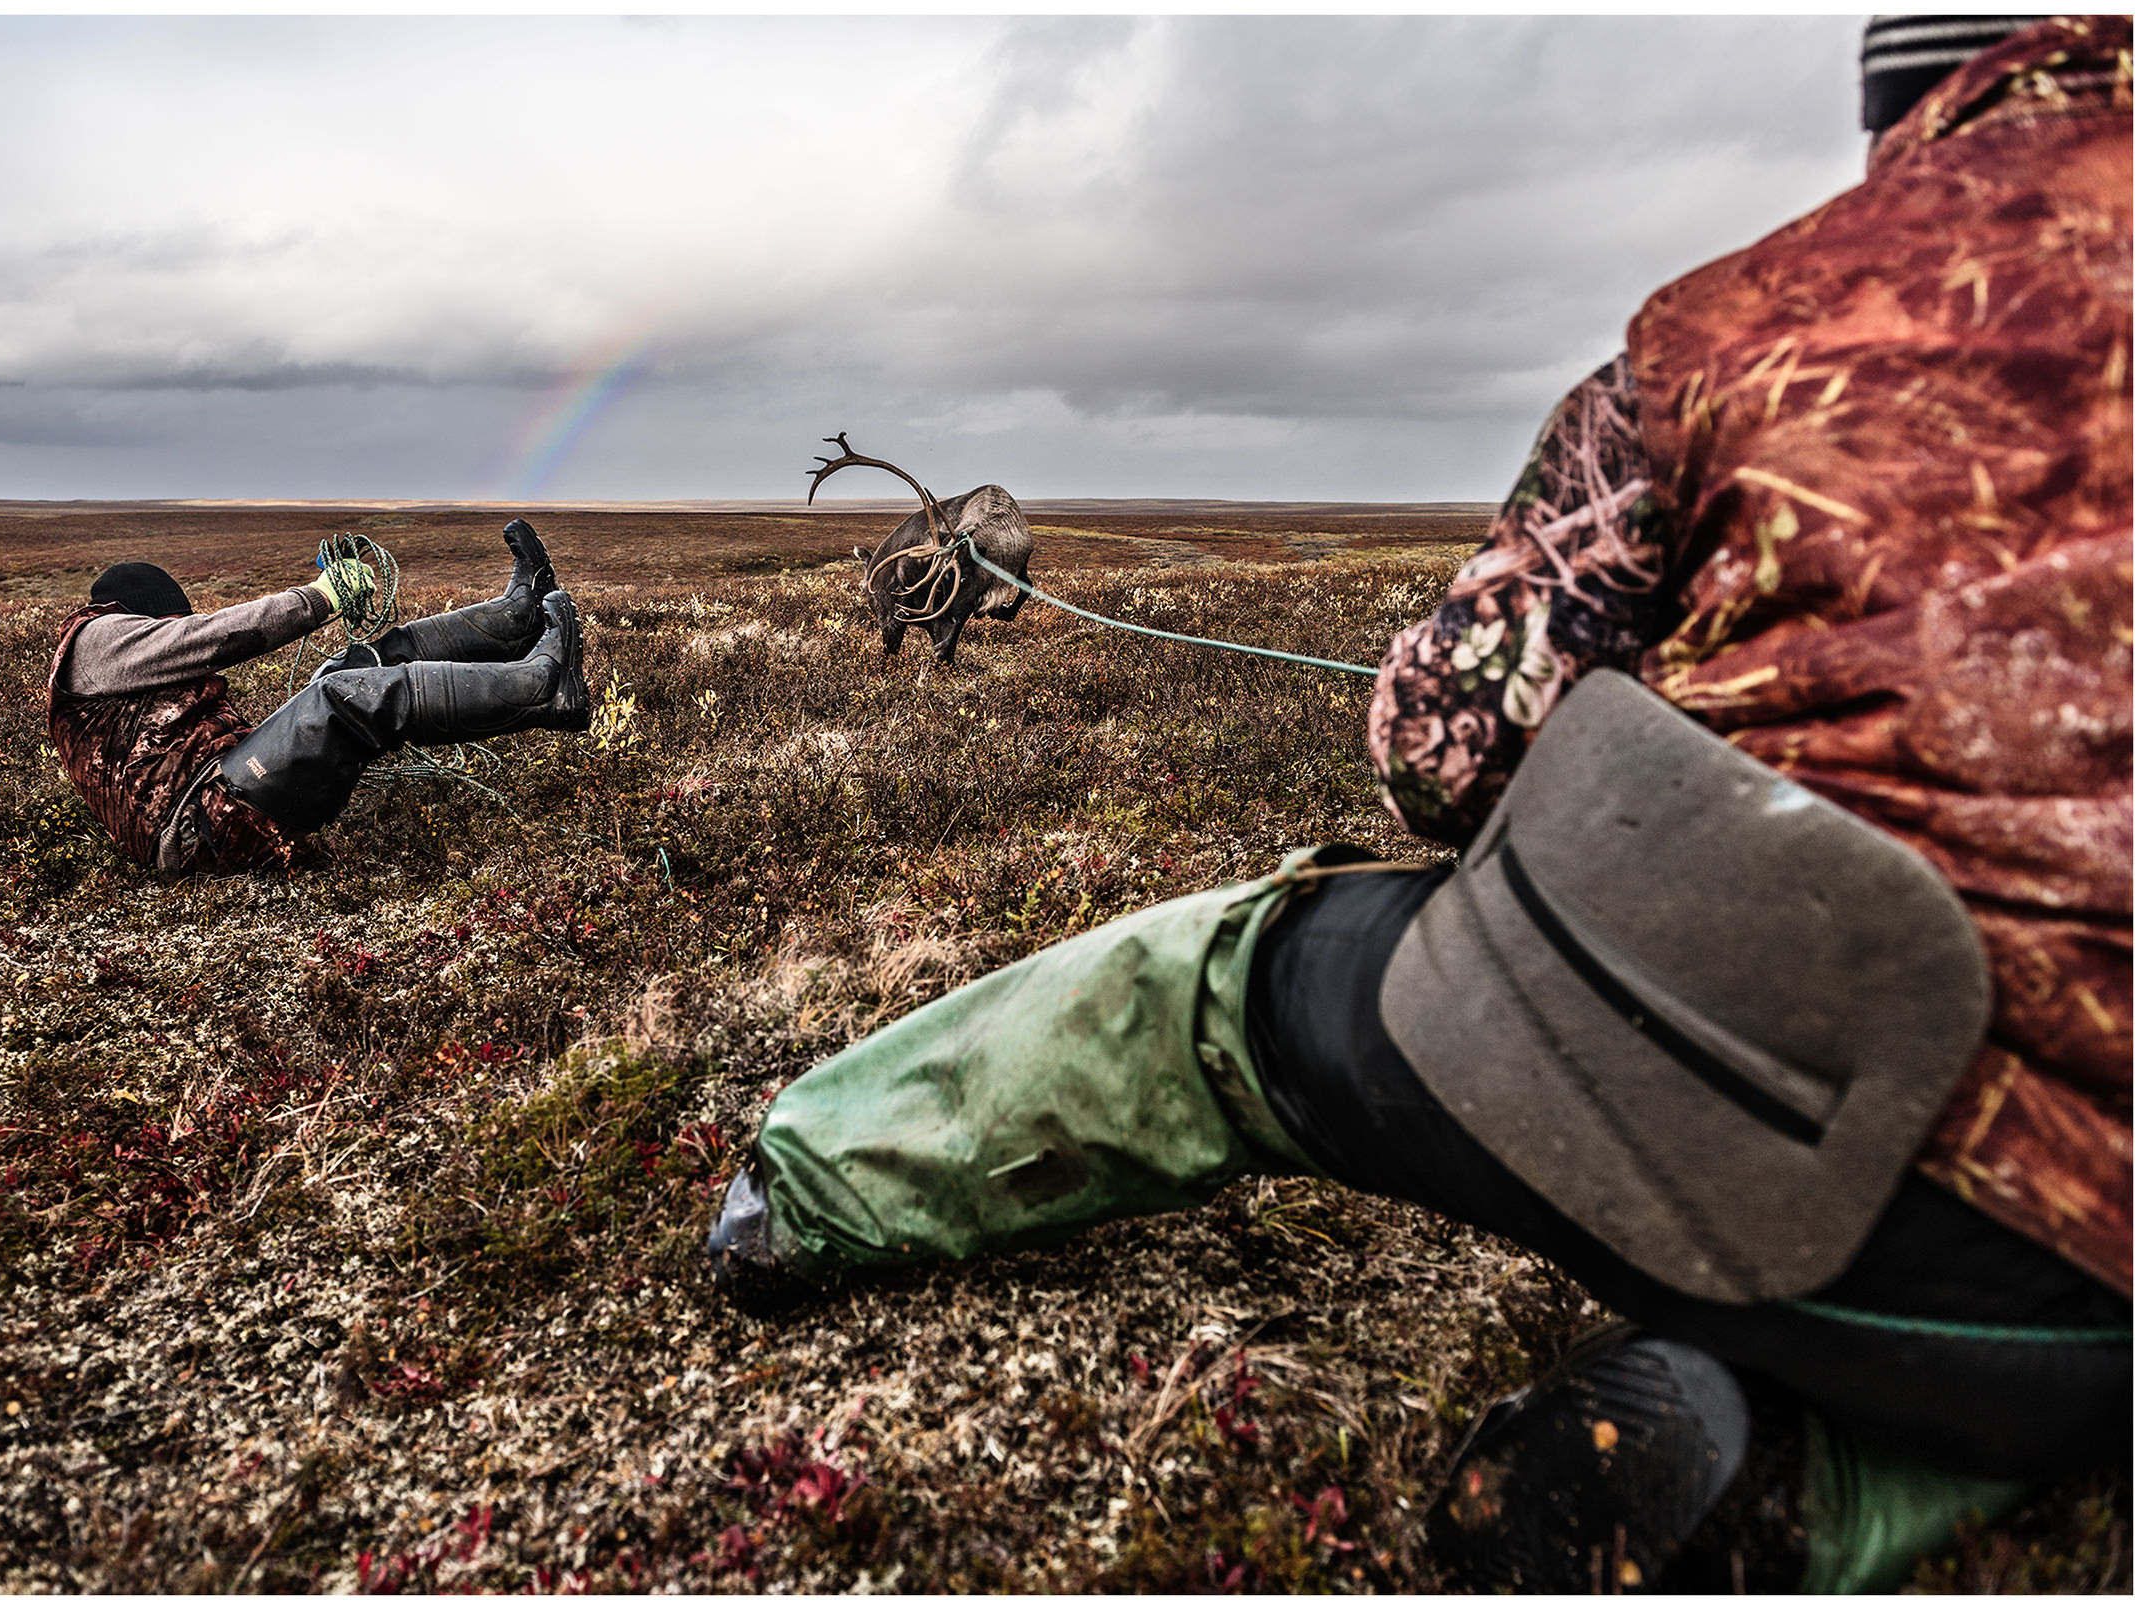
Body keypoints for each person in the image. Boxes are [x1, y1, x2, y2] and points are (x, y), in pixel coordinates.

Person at [703, 16, 2129, 1593]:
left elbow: (1439, 759)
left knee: (1232, 983)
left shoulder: (1731, 330)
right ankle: (1821, 1488)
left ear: (1904, 90)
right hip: (2098, 1267)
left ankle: (809, 1180)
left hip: (1789, 1128)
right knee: (2054, 1367)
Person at [49, 518, 591, 873]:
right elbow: (212, 636)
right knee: (339, 698)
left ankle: (512, 619)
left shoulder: (111, 655)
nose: (176, 631)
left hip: (222, 795)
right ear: (141, 615)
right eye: (171, 621)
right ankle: (542, 688)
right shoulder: (95, 641)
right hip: (196, 829)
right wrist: (320, 596)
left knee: (352, 668)